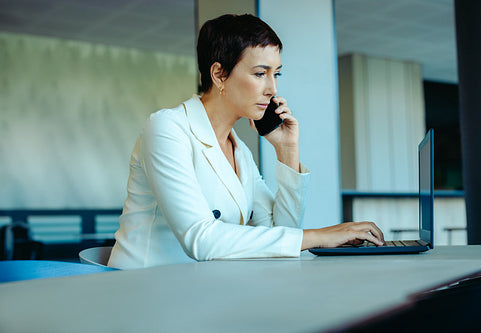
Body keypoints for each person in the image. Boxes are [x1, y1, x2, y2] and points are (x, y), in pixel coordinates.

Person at [107, 14, 384, 269]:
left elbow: (281, 233)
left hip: (196, 291)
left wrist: (286, 149)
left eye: (276, 74)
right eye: (260, 73)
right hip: (144, 292)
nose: (272, 89)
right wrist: (318, 237)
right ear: (219, 75)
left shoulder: (240, 152)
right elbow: (201, 240)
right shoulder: (167, 128)